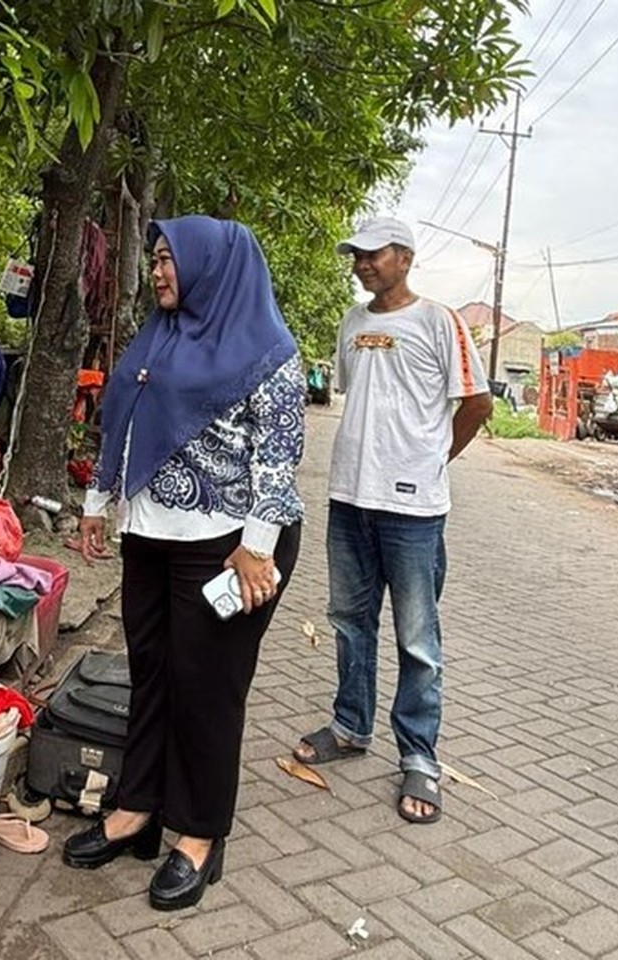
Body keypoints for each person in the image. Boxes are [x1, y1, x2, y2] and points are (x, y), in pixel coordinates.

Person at [64, 216, 305, 911]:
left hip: (231, 541)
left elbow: (279, 455)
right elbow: (123, 421)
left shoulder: (270, 352)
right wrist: (97, 498)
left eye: (170, 261)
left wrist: (257, 545)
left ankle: (199, 834)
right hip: (152, 534)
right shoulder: (158, 337)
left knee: (208, 688)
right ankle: (136, 808)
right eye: (158, 259)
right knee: (153, 673)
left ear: (212, 268)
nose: (160, 272)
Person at [293, 217, 493, 824]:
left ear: (404, 257)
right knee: (350, 622)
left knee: (417, 641)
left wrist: (435, 459)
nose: (361, 265)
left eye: (372, 255)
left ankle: (420, 758)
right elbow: (356, 394)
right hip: (350, 498)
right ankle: (351, 727)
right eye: (355, 256)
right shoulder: (352, 323)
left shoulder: (441, 321)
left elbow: (477, 403)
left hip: (414, 511)